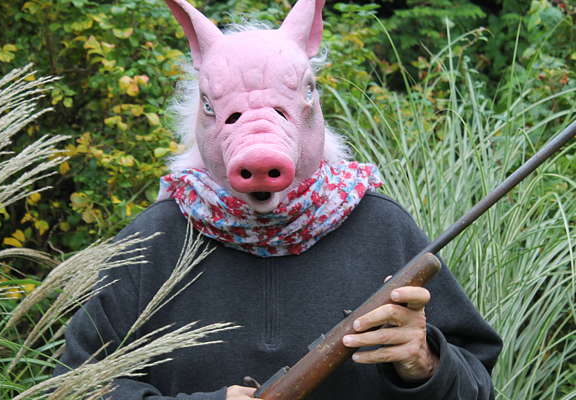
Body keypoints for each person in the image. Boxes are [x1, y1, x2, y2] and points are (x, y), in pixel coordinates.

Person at [55, 1, 503, 399]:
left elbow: (477, 385)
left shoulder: (382, 226)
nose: (259, 139)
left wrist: (425, 360)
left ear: (313, 105)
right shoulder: (155, 238)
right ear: (202, 114)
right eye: (226, 111)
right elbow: (76, 387)